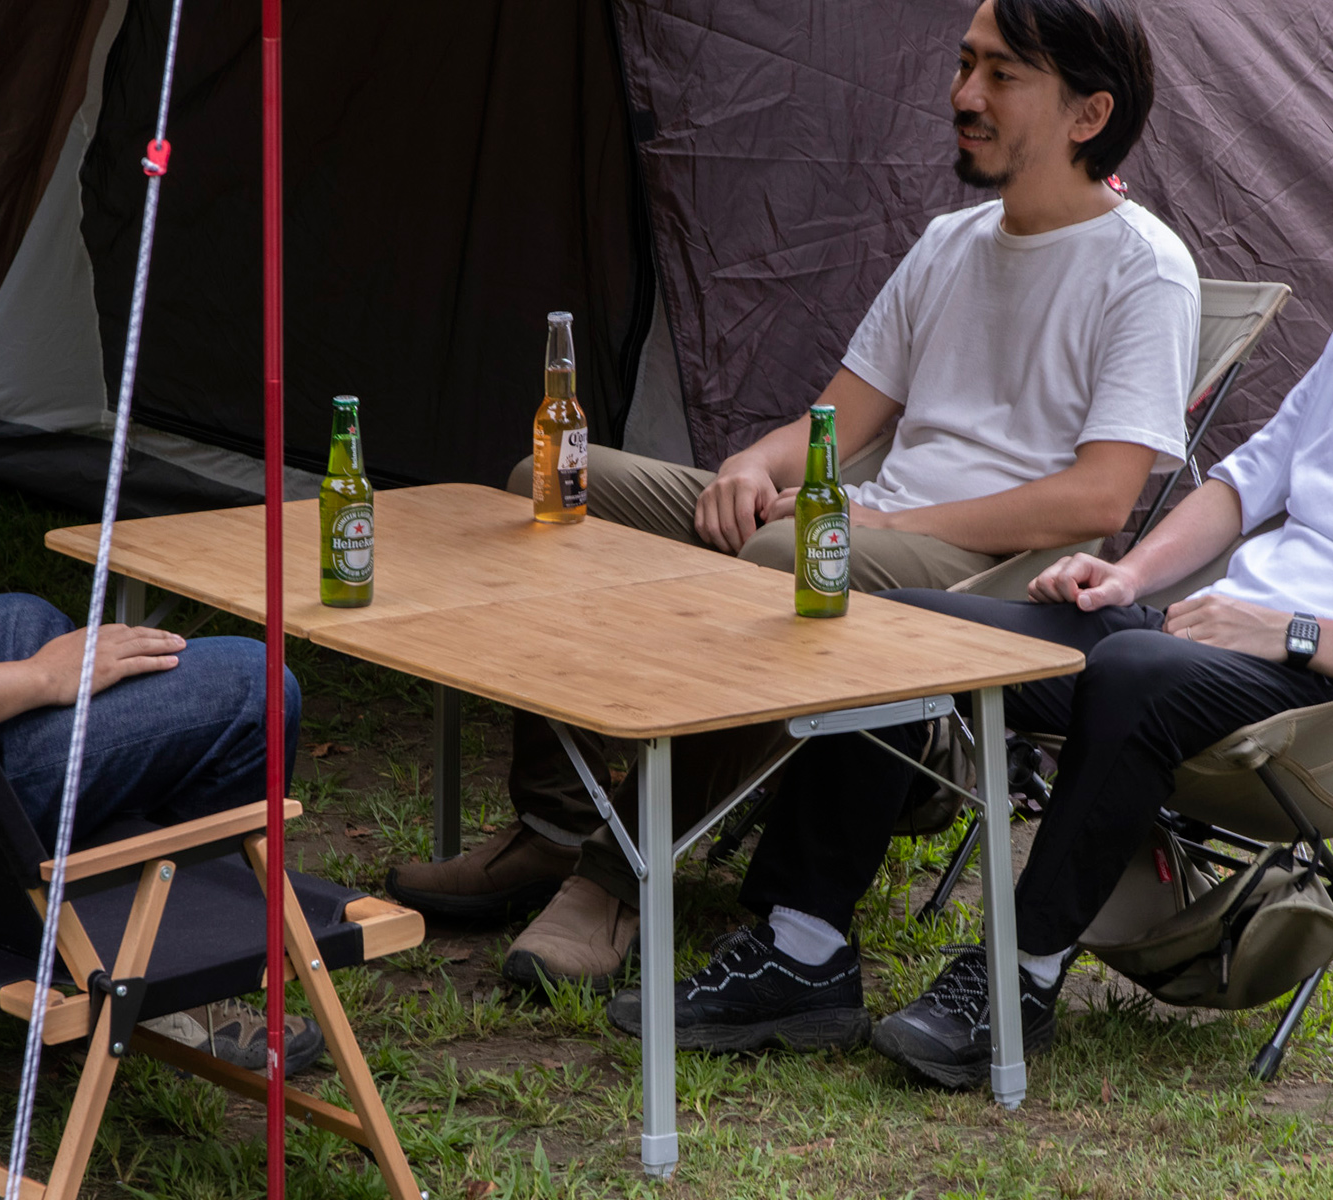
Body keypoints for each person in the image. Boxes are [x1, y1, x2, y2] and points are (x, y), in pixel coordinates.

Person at [387, 0, 1200, 991]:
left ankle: (610, 884)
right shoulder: (951, 242)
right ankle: (555, 825)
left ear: (1088, 113)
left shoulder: (1144, 269)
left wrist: (881, 520)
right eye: (965, 65)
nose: (963, 95)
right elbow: (832, 425)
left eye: (1001, 76)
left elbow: (1096, 500)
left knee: (785, 563)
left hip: (990, 572)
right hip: (861, 525)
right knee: (556, 483)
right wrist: (749, 470)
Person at [606, 323, 1333, 1074]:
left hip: (1309, 688)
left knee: (1133, 669)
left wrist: (1295, 631)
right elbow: (1247, 482)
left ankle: (1020, 975)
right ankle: (803, 948)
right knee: (903, 626)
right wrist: (1131, 577)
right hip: (1206, 635)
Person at [0, 566, 325, 1074]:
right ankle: (178, 980)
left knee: (26, 618)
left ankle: (95, 916)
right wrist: (44, 676)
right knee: (256, 683)